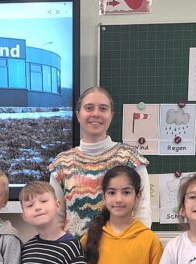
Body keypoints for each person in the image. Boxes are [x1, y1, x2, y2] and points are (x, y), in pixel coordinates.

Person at [49, 86, 151, 236]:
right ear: (78, 115)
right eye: (89, 108)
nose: (96, 114)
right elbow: (56, 218)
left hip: (122, 247)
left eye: (103, 108)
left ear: (111, 115)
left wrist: (138, 245)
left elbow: (142, 211)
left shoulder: (130, 159)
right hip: (74, 250)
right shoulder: (62, 164)